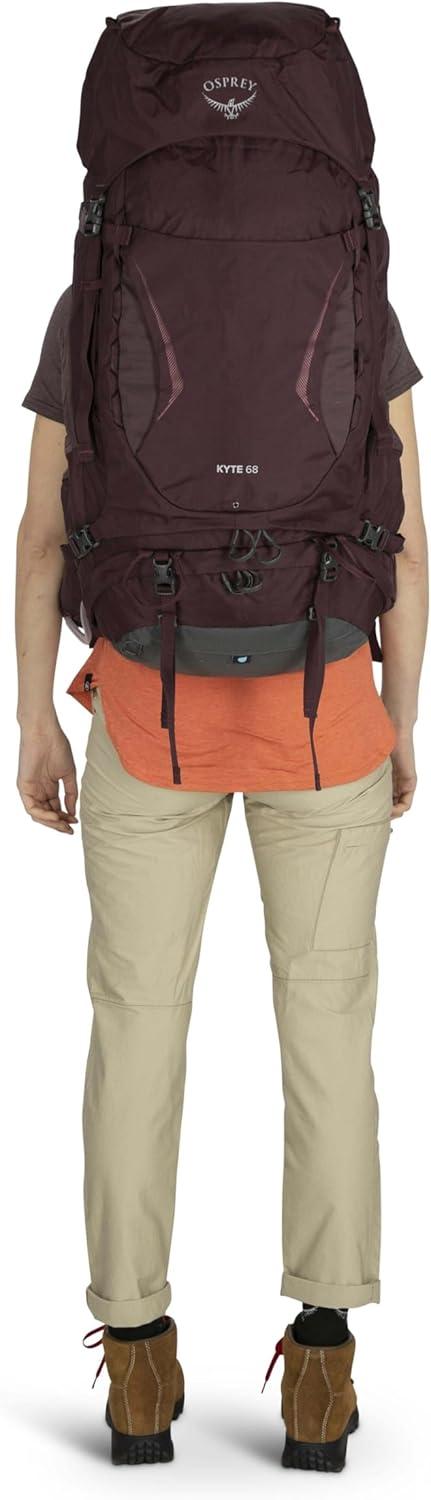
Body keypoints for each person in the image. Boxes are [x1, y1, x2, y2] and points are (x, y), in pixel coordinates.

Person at [16, 285, 427, 1470]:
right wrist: (399, 716)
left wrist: (36, 717)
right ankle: (320, 1369)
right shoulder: (347, 283)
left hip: (148, 715)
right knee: (328, 1036)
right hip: (324, 716)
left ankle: (136, 1364)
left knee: (135, 1027)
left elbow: (43, 531)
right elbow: (403, 535)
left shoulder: (100, 288)